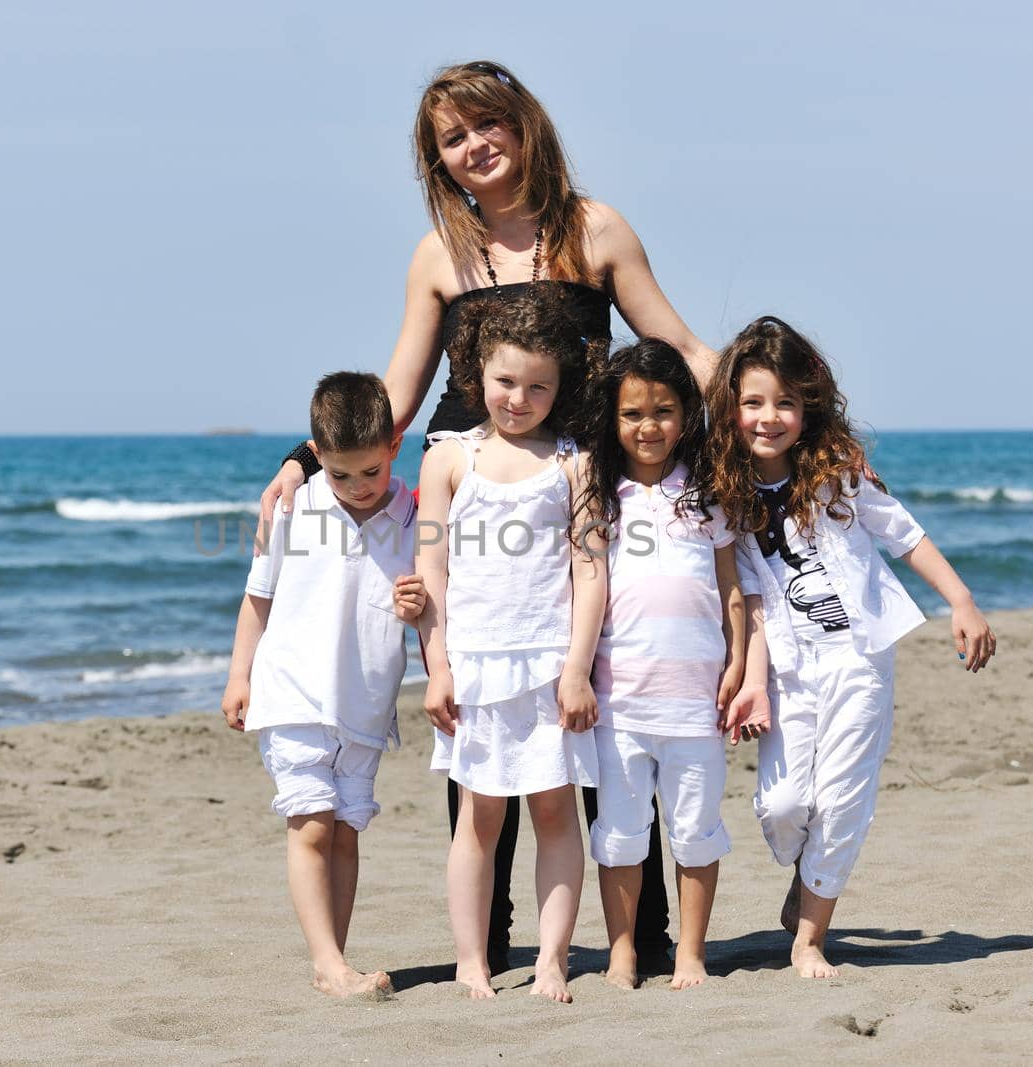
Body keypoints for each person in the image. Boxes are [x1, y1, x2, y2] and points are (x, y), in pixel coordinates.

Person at [258, 59, 715, 973]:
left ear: (522, 122)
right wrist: (306, 456)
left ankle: (642, 935)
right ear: (440, 161)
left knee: (594, 706)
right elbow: (401, 388)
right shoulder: (439, 251)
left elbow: (680, 347)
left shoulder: (596, 228)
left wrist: (780, 418)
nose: (475, 149)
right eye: (452, 141)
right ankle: (494, 943)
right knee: (479, 719)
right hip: (467, 493)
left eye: (485, 127)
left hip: (579, 485)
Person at [712, 317, 997, 979]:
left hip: (858, 658)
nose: (769, 416)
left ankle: (808, 937)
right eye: (753, 401)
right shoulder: (725, 495)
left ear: (808, 405)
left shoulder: (836, 473)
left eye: (784, 401)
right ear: (730, 407)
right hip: (786, 666)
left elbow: (905, 534)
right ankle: (808, 876)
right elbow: (745, 600)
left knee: (842, 803)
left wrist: (960, 600)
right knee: (783, 808)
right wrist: (746, 671)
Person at [416, 286, 601, 1002]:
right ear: (476, 376)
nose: (519, 399)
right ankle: (472, 959)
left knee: (556, 812)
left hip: (550, 663)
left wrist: (577, 669)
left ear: (559, 388)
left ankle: (552, 958)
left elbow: (591, 570)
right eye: (504, 382)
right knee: (479, 816)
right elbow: (432, 569)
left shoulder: (572, 463)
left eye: (537, 386)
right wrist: (437, 668)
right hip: (476, 667)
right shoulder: (449, 460)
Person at [221, 372, 425, 999]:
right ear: (315, 453)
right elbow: (258, 599)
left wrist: (417, 602)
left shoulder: (416, 514)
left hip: (366, 697)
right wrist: (239, 676)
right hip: (292, 689)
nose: (358, 488)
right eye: (340, 475)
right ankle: (329, 965)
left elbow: (426, 601)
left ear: (395, 446)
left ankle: (334, 957)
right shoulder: (290, 505)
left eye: (370, 471)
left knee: (344, 829)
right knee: (310, 822)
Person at [573, 338, 764, 990]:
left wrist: (739, 663)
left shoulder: (706, 496)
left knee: (695, 829)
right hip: (620, 700)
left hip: (696, 699)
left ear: (684, 415)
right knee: (621, 833)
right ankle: (622, 950)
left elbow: (731, 586)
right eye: (632, 414)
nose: (648, 426)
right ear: (612, 419)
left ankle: (691, 952)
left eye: (662, 411)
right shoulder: (600, 497)